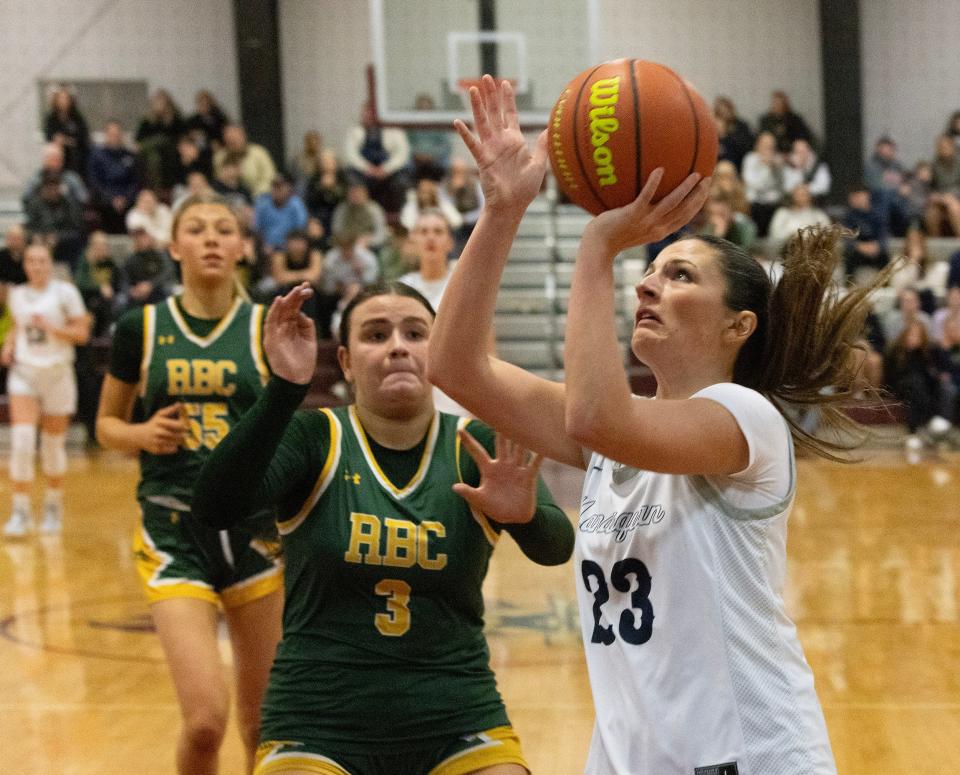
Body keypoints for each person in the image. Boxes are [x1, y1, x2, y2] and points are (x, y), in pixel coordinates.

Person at [429, 76, 884, 775]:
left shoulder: (746, 420)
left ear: (739, 325)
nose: (648, 283)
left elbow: (593, 413)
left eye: (679, 275)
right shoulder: (620, 435)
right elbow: (455, 365)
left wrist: (597, 249)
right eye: (651, 269)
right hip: (629, 756)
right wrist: (502, 210)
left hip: (749, 755)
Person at [190, 278, 574, 775]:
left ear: (438, 353)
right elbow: (213, 508)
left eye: (416, 334)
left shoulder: (476, 444)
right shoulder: (315, 436)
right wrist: (285, 390)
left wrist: (525, 516)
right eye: (376, 335)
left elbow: (556, 548)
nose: (397, 347)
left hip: (456, 718)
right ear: (346, 362)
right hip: (316, 722)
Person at [94, 193, 284, 774]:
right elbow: (104, 425)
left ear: (242, 247)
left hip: (255, 533)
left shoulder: (265, 326)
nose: (210, 239)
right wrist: (143, 434)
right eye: (196, 230)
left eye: (223, 229)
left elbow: (290, 430)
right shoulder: (141, 328)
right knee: (205, 722)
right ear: (174, 247)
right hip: (173, 530)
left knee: (262, 727)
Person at [2, 243, 90, 537]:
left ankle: (53, 506)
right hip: (25, 374)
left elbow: (81, 334)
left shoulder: (65, 293)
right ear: (25, 265)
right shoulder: (16, 294)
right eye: (31, 261)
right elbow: (19, 326)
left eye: (42, 261)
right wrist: (10, 344)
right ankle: (20, 511)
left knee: (52, 447)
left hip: (57, 374)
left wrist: (54, 329)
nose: (36, 266)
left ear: (50, 264)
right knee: (23, 441)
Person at [88, 120, 140, 234]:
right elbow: (95, 182)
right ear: (106, 136)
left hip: (128, 201)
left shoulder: (130, 156)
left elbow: (135, 182)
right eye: (111, 134)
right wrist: (111, 199)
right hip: (105, 202)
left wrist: (125, 198)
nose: (115, 138)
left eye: (117, 135)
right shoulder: (97, 157)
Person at [44, 85, 90, 178]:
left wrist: (66, 141)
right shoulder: (51, 118)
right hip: (58, 156)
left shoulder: (77, 118)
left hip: (76, 156)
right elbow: (49, 137)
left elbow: (82, 137)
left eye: (66, 98)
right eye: (61, 98)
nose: (63, 101)